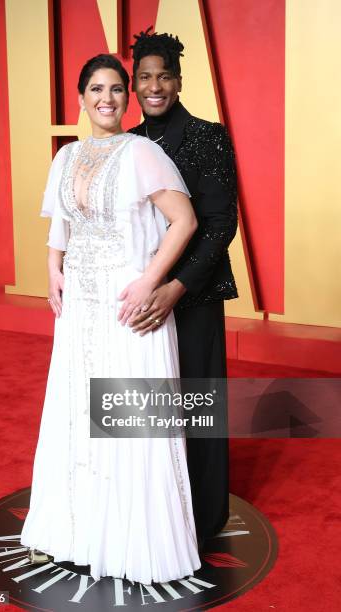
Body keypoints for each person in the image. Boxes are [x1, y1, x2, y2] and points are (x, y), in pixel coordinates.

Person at [20, 54, 202, 585]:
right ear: (81, 98)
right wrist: (53, 267)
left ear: (127, 99)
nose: (107, 97)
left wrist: (150, 281)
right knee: (77, 412)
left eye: (117, 89)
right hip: (79, 307)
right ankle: (76, 533)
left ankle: (132, 544)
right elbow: (61, 228)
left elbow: (185, 220)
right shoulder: (66, 158)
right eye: (97, 88)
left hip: (127, 305)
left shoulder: (143, 152)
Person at [128, 29, 238, 544]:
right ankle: (156, 508)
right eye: (145, 77)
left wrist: (175, 287)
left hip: (192, 293)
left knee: (197, 401)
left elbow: (219, 223)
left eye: (164, 76)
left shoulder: (207, 135)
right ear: (134, 84)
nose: (155, 86)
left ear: (178, 80)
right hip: (141, 296)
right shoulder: (125, 142)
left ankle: (205, 516)